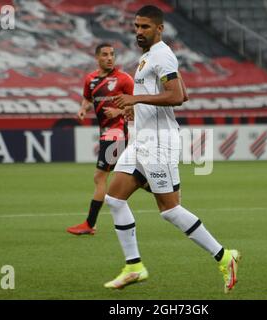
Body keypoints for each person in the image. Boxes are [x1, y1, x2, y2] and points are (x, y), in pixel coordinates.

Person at [103, 5, 241, 293]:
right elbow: (184, 92)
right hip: (141, 142)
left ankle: (224, 256)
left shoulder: (162, 54)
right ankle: (134, 266)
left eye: (145, 27)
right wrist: (134, 108)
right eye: (137, 26)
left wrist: (136, 99)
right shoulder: (147, 58)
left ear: (159, 28)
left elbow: (177, 97)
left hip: (158, 144)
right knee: (114, 199)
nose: (139, 31)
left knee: (169, 210)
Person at [66, 43, 134, 236]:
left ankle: (89, 224)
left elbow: (139, 105)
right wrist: (83, 108)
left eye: (112, 54)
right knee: (129, 175)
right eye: (105, 55)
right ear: (97, 57)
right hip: (107, 132)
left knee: (100, 177)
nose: (110, 58)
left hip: (118, 132)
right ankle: (163, 191)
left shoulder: (124, 79)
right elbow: (88, 99)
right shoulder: (91, 79)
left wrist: (119, 111)